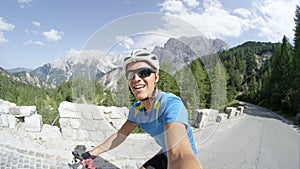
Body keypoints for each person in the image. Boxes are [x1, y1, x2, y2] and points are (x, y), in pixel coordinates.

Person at [80, 48, 202, 169]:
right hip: (165, 154)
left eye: (144, 72)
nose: (136, 78)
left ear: (156, 77)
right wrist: (92, 153)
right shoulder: (137, 110)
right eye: (131, 74)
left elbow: (179, 155)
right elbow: (120, 136)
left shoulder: (170, 104)